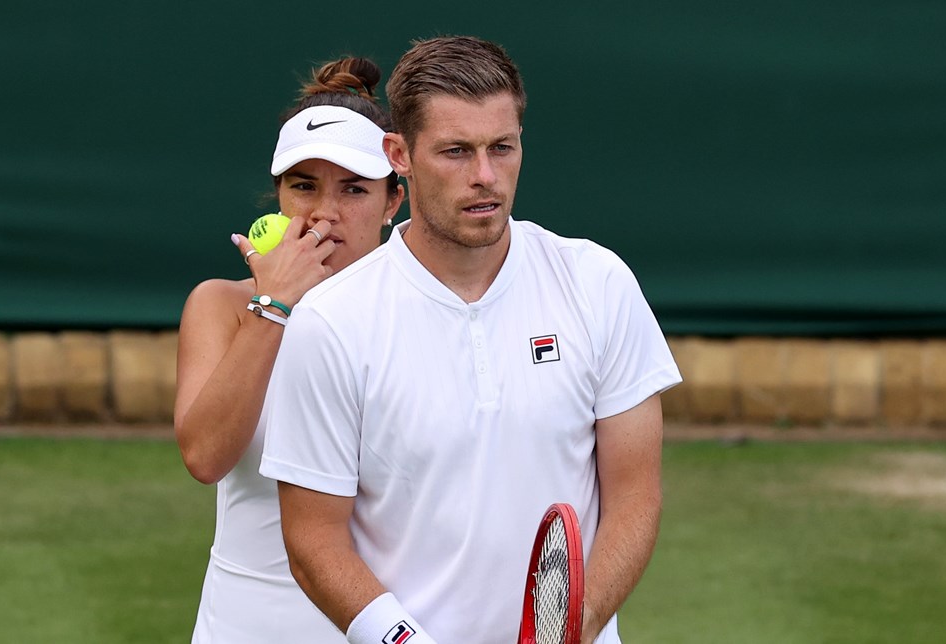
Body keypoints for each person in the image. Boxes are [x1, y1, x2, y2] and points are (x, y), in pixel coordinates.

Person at [259, 36, 682, 643]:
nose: (485, 177)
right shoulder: (331, 322)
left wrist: (573, 626)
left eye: (501, 148)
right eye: (456, 152)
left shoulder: (598, 282)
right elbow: (312, 541)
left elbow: (635, 498)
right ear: (398, 154)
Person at [173, 56, 404, 643]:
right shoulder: (220, 304)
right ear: (277, 196)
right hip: (244, 623)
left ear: (392, 202)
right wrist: (273, 308)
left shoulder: (419, 310)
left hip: (387, 620)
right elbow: (204, 456)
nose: (325, 211)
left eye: (354, 189)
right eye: (304, 186)